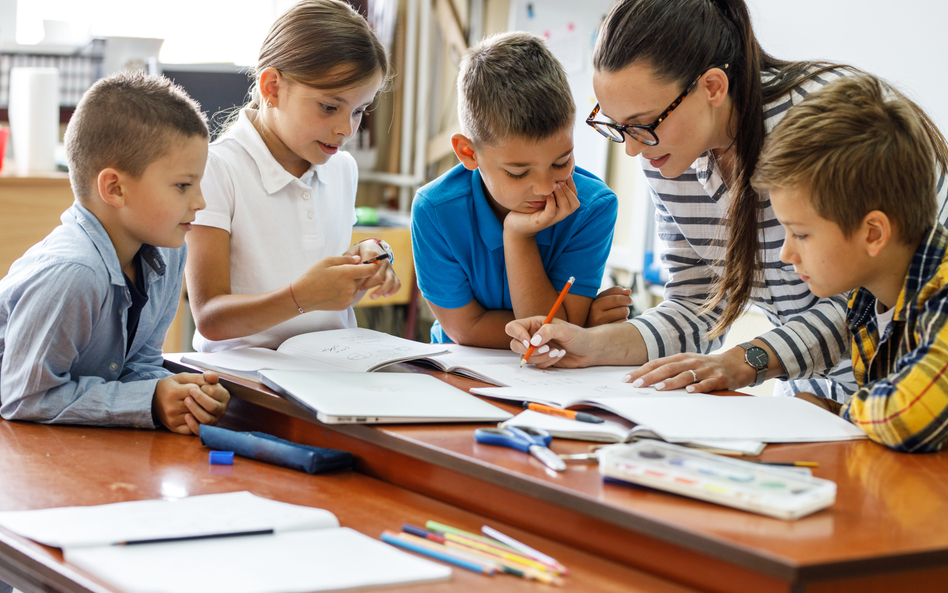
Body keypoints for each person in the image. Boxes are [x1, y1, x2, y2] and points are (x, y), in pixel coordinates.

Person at [506, 0, 947, 400]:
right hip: (815, 392)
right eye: (617, 126)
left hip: (910, 381)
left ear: (713, 86)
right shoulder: (666, 154)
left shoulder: (819, 125)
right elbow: (698, 305)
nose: (633, 149)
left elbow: (870, 297)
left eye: (642, 124)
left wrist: (747, 360)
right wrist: (591, 346)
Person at [0, 72, 230, 436]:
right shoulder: (74, 272)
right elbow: (24, 396)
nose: (200, 203)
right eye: (183, 186)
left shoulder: (168, 255)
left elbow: (137, 363)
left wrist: (179, 394)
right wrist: (146, 401)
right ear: (115, 188)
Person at [186, 0, 399, 352]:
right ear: (272, 88)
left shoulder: (343, 168)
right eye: (329, 107)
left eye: (360, 111)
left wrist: (364, 262)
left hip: (333, 365)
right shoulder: (217, 168)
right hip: (247, 379)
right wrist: (301, 296)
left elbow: (320, 281)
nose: (345, 129)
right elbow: (210, 318)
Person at [755, 74, 948, 453]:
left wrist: (838, 414)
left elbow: (910, 415)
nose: (786, 254)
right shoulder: (866, 303)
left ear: (873, 234)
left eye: (802, 234)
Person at [411, 32, 619, 347]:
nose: (546, 187)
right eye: (518, 173)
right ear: (469, 154)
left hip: (553, 382)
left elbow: (554, 336)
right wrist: (579, 324)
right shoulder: (435, 211)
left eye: (561, 163)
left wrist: (518, 238)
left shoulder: (592, 208)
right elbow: (465, 330)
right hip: (458, 373)